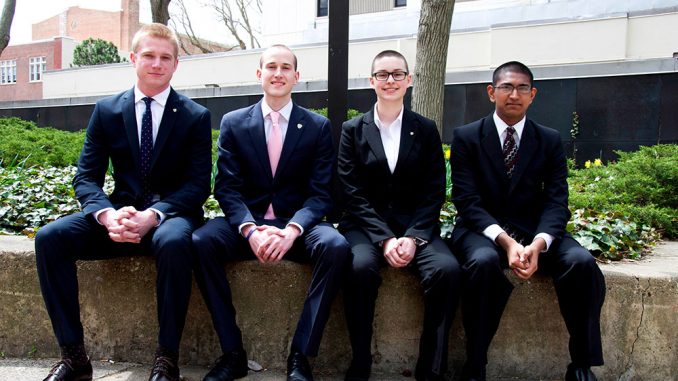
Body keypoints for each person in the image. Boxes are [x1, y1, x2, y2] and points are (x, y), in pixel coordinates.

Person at [35, 23, 212, 381]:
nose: (157, 64)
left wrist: (154, 215)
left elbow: (197, 186)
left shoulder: (195, 116)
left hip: (170, 216)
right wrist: (107, 215)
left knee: (176, 241)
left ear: (176, 64)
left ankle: (167, 359)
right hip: (120, 215)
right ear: (133, 58)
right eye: (149, 55)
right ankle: (74, 358)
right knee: (50, 238)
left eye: (166, 58)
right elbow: (86, 177)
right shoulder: (107, 111)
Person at [192, 44, 349, 381]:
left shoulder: (318, 126)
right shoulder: (234, 123)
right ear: (259, 74)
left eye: (286, 67)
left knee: (335, 247)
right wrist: (250, 229)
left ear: (296, 76)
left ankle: (300, 355)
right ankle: (232, 353)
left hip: (298, 226)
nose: (278, 73)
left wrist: (292, 230)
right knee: (201, 241)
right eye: (272, 67)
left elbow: (320, 194)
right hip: (247, 223)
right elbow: (227, 189)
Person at [449, 61, 605, 381]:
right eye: (506, 87)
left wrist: (538, 243)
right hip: (482, 230)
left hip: (534, 230)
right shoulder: (466, 137)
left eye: (522, 88)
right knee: (480, 264)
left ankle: (581, 365)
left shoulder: (548, 139)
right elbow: (466, 200)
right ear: (492, 92)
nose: (514, 94)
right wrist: (505, 242)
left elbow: (557, 200)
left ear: (533, 95)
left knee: (581, 262)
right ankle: (475, 364)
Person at [337, 50, 461, 381]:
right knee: (359, 267)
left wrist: (413, 236)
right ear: (371, 81)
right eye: (382, 74)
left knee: (447, 270)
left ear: (408, 80)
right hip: (365, 228)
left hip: (415, 228)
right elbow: (351, 191)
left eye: (397, 74)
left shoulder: (425, 129)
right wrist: (384, 238)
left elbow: (435, 189)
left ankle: (431, 367)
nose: (389, 80)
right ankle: (361, 361)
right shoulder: (352, 129)